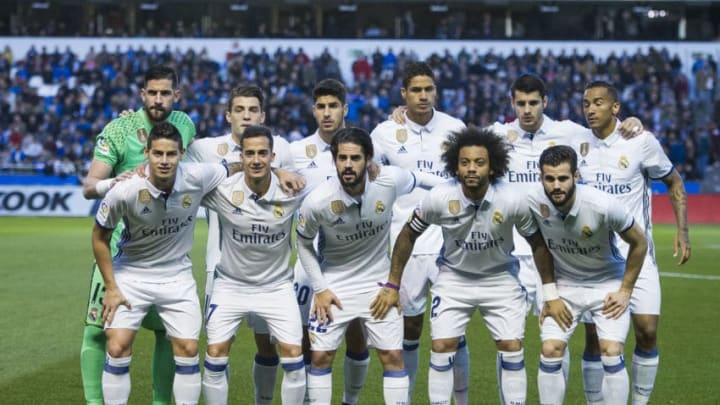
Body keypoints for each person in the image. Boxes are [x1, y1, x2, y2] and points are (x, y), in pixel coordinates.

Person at [373, 127, 557, 405]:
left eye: (479, 163)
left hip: (500, 278)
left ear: (492, 167)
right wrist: (392, 284)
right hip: (454, 279)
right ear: (455, 167)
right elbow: (408, 234)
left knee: (511, 348)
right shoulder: (439, 197)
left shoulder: (512, 199)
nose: (471, 169)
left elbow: (538, 244)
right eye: (465, 162)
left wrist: (551, 294)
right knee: (441, 347)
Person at [81, 65, 196, 405]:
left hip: (164, 250)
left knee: (166, 333)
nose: (158, 99)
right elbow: (90, 186)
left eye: (165, 93)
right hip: (119, 249)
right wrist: (114, 183)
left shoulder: (185, 125)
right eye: (152, 92)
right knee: (97, 330)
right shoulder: (119, 129)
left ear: (176, 96)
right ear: (142, 94)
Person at [92, 122, 229, 405]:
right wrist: (111, 286)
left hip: (176, 276)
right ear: (147, 153)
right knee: (117, 347)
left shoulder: (197, 176)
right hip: (130, 274)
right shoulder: (125, 190)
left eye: (171, 154)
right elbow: (99, 238)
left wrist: (277, 171)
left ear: (181, 154)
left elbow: (236, 167)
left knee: (189, 349)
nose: (164, 161)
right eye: (158, 154)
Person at [296, 127, 433, 405]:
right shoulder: (318, 201)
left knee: (392, 356)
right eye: (342, 158)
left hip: (379, 286)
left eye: (355, 158)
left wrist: (458, 186)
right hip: (334, 285)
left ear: (368, 159)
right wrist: (320, 288)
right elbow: (303, 244)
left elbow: (422, 179)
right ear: (334, 160)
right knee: (320, 356)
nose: (348, 165)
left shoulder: (389, 180)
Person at [576, 81, 691, 405]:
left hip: (638, 256)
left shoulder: (640, 141)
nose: (590, 109)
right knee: (595, 340)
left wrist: (683, 232)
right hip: (594, 259)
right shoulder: (576, 141)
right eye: (586, 103)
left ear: (615, 107)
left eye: (598, 102)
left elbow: (674, 181)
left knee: (647, 332)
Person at [184, 85, 295, 405]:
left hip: (269, 272)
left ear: (263, 115)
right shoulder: (207, 148)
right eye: (240, 110)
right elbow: (177, 162)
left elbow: (316, 163)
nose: (246, 115)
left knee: (267, 344)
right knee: (218, 348)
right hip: (220, 267)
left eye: (253, 110)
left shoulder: (283, 148)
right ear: (228, 115)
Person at [370, 61, 469, 404]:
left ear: (436, 91)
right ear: (404, 94)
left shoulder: (455, 129)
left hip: (449, 240)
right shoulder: (384, 132)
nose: (423, 96)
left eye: (428, 89)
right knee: (409, 327)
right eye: (416, 90)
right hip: (404, 241)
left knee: (453, 332)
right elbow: (372, 180)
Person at [530, 145, 648, 405]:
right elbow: (538, 247)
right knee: (551, 350)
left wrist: (625, 290)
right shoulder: (532, 201)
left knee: (611, 350)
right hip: (564, 286)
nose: (556, 185)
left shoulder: (603, 205)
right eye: (549, 179)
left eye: (563, 178)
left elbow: (640, 242)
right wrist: (550, 295)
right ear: (541, 179)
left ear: (576, 176)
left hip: (606, 285)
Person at [200, 125, 308, 405]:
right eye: (250, 153)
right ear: (241, 156)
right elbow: (182, 182)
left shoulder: (291, 190)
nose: (256, 159)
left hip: (276, 287)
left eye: (262, 153)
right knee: (215, 354)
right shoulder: (223, 190)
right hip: (230, 285)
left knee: (294, 357)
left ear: (273, 156)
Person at [290, 79, 371, 404]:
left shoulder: (362, 147)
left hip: (354, 261)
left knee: (356, 333)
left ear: (344, 109)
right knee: (308, 337)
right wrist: (281, 173)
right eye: (321, 107)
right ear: (313, 110)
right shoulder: (296, 152)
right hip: (308, 258)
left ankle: (349, 401)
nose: (327, 113)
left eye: (333, 106)